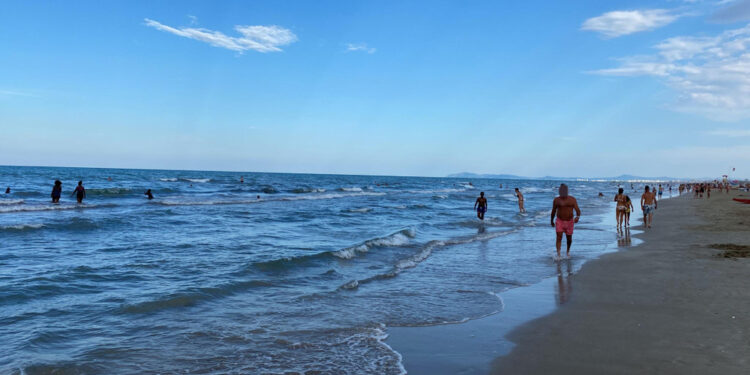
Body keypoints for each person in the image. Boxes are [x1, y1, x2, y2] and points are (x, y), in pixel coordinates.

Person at [551, 184, 580, 259]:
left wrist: (577, 217)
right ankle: (558, 254)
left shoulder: (572, 199)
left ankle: (567, 251)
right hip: (559, 221)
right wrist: (551, 221)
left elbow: (578, 210)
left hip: (570, 222)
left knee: (569, 239)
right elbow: (553, 211)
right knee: (559, 237)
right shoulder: (556, 200)